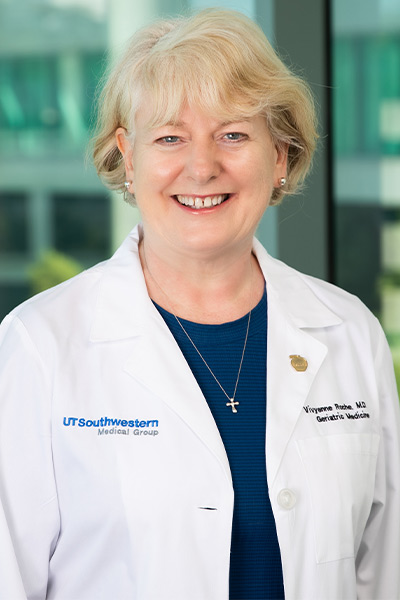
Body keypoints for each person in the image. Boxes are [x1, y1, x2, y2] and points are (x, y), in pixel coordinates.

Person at [0, 8, 399, 600]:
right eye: (169, 137)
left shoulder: (349, 332)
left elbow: (384, 571)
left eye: (233, 134)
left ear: (281, 156)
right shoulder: (38, 344)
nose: (202, 166)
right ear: (129, 158)